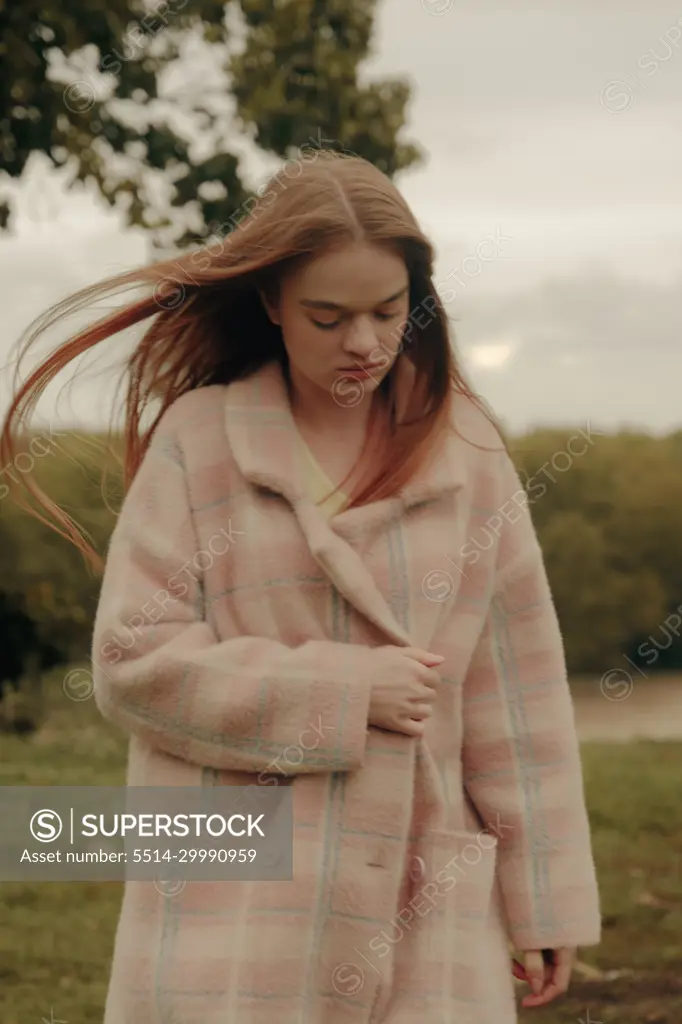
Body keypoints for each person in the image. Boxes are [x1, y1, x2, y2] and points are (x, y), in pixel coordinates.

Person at [1, 150, 601, 1022]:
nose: (362, 342)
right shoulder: (199, 441)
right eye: (328, 317)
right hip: (233, 892)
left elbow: (516, 697)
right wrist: (345, 695)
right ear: (273, 302)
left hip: (420, 890)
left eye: (387, 312)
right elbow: (133, 662)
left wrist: (542, 894)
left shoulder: (468, 452)